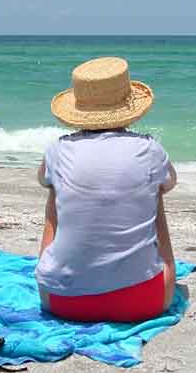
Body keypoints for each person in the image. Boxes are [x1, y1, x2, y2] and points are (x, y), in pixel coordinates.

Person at [34, 56, 177, 323]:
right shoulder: (149, 149)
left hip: (62, 302)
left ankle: (50, 267)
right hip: (145, 302)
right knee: (153, 190)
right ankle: (166, 269)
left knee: (55, 189)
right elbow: (169, 183)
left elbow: (42, 179)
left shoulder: (58, 149)